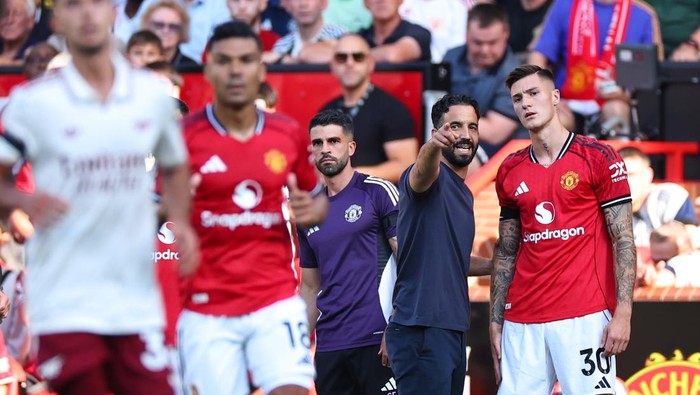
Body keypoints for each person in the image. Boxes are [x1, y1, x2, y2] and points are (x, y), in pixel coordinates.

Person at [0, 0, 199, 392]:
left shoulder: (147, 96)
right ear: (57, 19)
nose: (88, 14)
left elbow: (175, 166)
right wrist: (20, 205)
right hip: (67, 294)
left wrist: (180, 218)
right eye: (74, 5)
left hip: (137, 300)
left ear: (113, 14)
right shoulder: (31, 103)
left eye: (97, 4)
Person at [178, 21, 328, 395]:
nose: (235, 70)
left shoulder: (288, 132)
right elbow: (155, 210)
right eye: (224, 61)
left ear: (261, 70)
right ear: (208, 68)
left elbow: (317, 200)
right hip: (206, 306)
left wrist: (312, 212)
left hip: (274, 300)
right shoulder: (183, 137)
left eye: (246, 60)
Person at [490, 65, 636, 394]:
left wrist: (623, 312)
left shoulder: (598, 156)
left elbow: (623, 239)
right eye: (517, 99)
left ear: (555, 97)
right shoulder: (510, 169)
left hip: (583, 316)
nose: (525, 103)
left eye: (533, 93)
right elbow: (507, 251)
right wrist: (495, 320)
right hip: (522, 317)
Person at [384, 94, 493, 395]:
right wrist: (432, 147)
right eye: (454, 126)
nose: (465, 135)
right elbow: (422, 172)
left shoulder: (464, 192)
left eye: (472, 127)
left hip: (450, 328)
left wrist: (497, 265)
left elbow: (452, 259)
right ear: (437, 133)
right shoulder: (428, 176)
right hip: (422, 327)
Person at [298, 109, 398, 395]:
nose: (325, 149)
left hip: (377, 340)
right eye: (318, 143)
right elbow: (309, 287)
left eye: (333, 141)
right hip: (329, 347)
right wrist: (299, 344)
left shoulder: (377, 191)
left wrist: (397, 328)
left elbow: (409, 264)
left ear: (351, 147)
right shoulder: (307, 211)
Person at [529, 0, 661, 135]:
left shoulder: (642, 14)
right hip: (567, 100)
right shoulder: (564, 5)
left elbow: (650, 75)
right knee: (551, 120)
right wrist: (546, 97)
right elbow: (538, 56)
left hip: (615, 101)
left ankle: (619, 155)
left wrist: (626, 95)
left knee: (616, 112)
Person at [321, 34, 417, 184]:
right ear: (332, 65)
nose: (349, 63)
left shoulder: (392, 109)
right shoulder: (326, 110)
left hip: (378, 203)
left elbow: (406, 166)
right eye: (341, 58)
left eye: (358, 57)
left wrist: (351, 176)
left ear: (371, 63)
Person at [442, 3, 526, 158]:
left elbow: (495, 133)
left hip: (501, 155)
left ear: (506, 33)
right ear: (467, 35)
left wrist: (444, 115)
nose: (485, 50)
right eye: (478, 43)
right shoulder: (450, 58)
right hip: (450, 142)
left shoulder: (516, 75)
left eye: (492, 42)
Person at [619, 146, 699, 247]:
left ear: (648, 175)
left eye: (632, 175)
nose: (625, 182)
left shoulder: (670, 197)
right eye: (619, 176)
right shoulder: (605, 208)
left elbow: (690, 241)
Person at [264, 0, 347, 64]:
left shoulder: (341, 35)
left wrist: (293, 61)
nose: (303, 4)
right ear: (287, 5)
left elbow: (348, 59)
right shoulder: (282, 45)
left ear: (323, 3)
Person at [358, 0, 431, 63]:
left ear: (400, 0)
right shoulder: (359, 38)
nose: (381, 0)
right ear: (366, 2)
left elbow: (392, 56)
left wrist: (356, 57)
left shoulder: (419, 33)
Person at [141, 0, 199, 68]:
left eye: (173, 27)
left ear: (182, 31)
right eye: (159, 25)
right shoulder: (136, 64)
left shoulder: (192, 67)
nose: (165, 31)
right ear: (148, 26)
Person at [644, 221, 700, 287]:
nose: (660, 263)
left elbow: (664, 279)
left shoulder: (680, 262)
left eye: (665, 260)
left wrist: (651, 279)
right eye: (655, 260)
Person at [0, 0, 37, 64]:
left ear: (31, 20)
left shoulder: (37, 53)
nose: (9, 20)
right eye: (4, 14)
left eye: (17, 14)